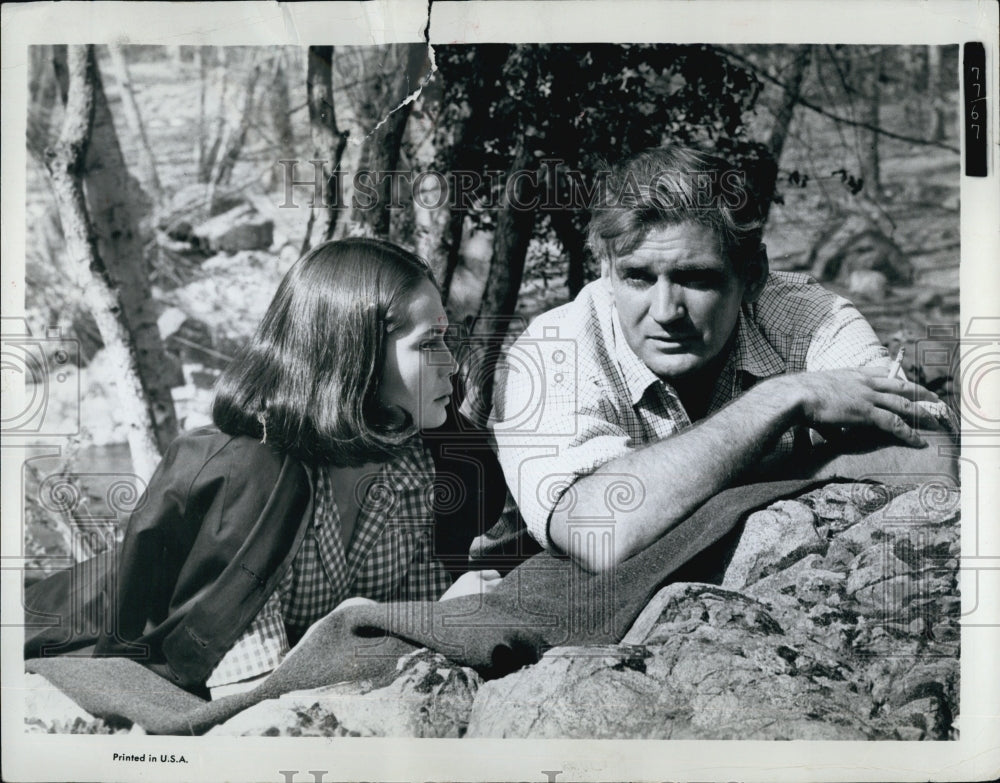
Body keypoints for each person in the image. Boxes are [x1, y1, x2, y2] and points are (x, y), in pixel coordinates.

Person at [25, 238, 500, 698]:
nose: (452, 365)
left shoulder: (423, 461)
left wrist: (430, 618)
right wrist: (349, 628)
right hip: (63, 627)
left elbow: (417, 620)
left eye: (447, 338)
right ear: (355, 354)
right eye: (428, 343)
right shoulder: (250, 472)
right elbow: (243, 687)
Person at [490, 145, 957, 573]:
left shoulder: (810, 318)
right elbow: (600, 532)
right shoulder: (554, 350)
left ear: (752, 276)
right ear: (606, 273)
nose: (666, 311)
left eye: (696, 279)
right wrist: (782, 399)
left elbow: (927, 457)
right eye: (637, 278)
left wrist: (674, 494)